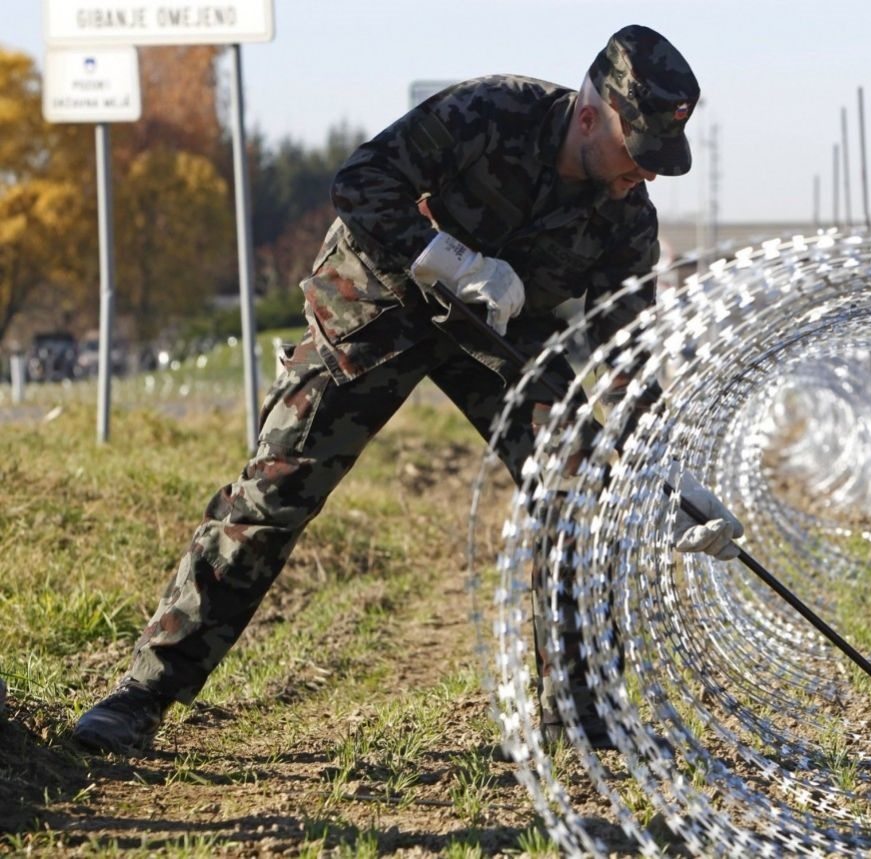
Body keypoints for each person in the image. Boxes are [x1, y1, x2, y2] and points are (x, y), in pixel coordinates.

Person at [73, 24, 743, 755]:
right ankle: (142, 693)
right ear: (589, 116)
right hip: (379, 306)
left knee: (583, 486)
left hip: (498, 338)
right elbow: (360, 184)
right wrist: (451, 259)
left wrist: (665, 473)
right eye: (635, 151)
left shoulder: (626, 213)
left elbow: (626, 349)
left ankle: (580, 715)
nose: (644, 173)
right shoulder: (489, 112)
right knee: (277, 491)